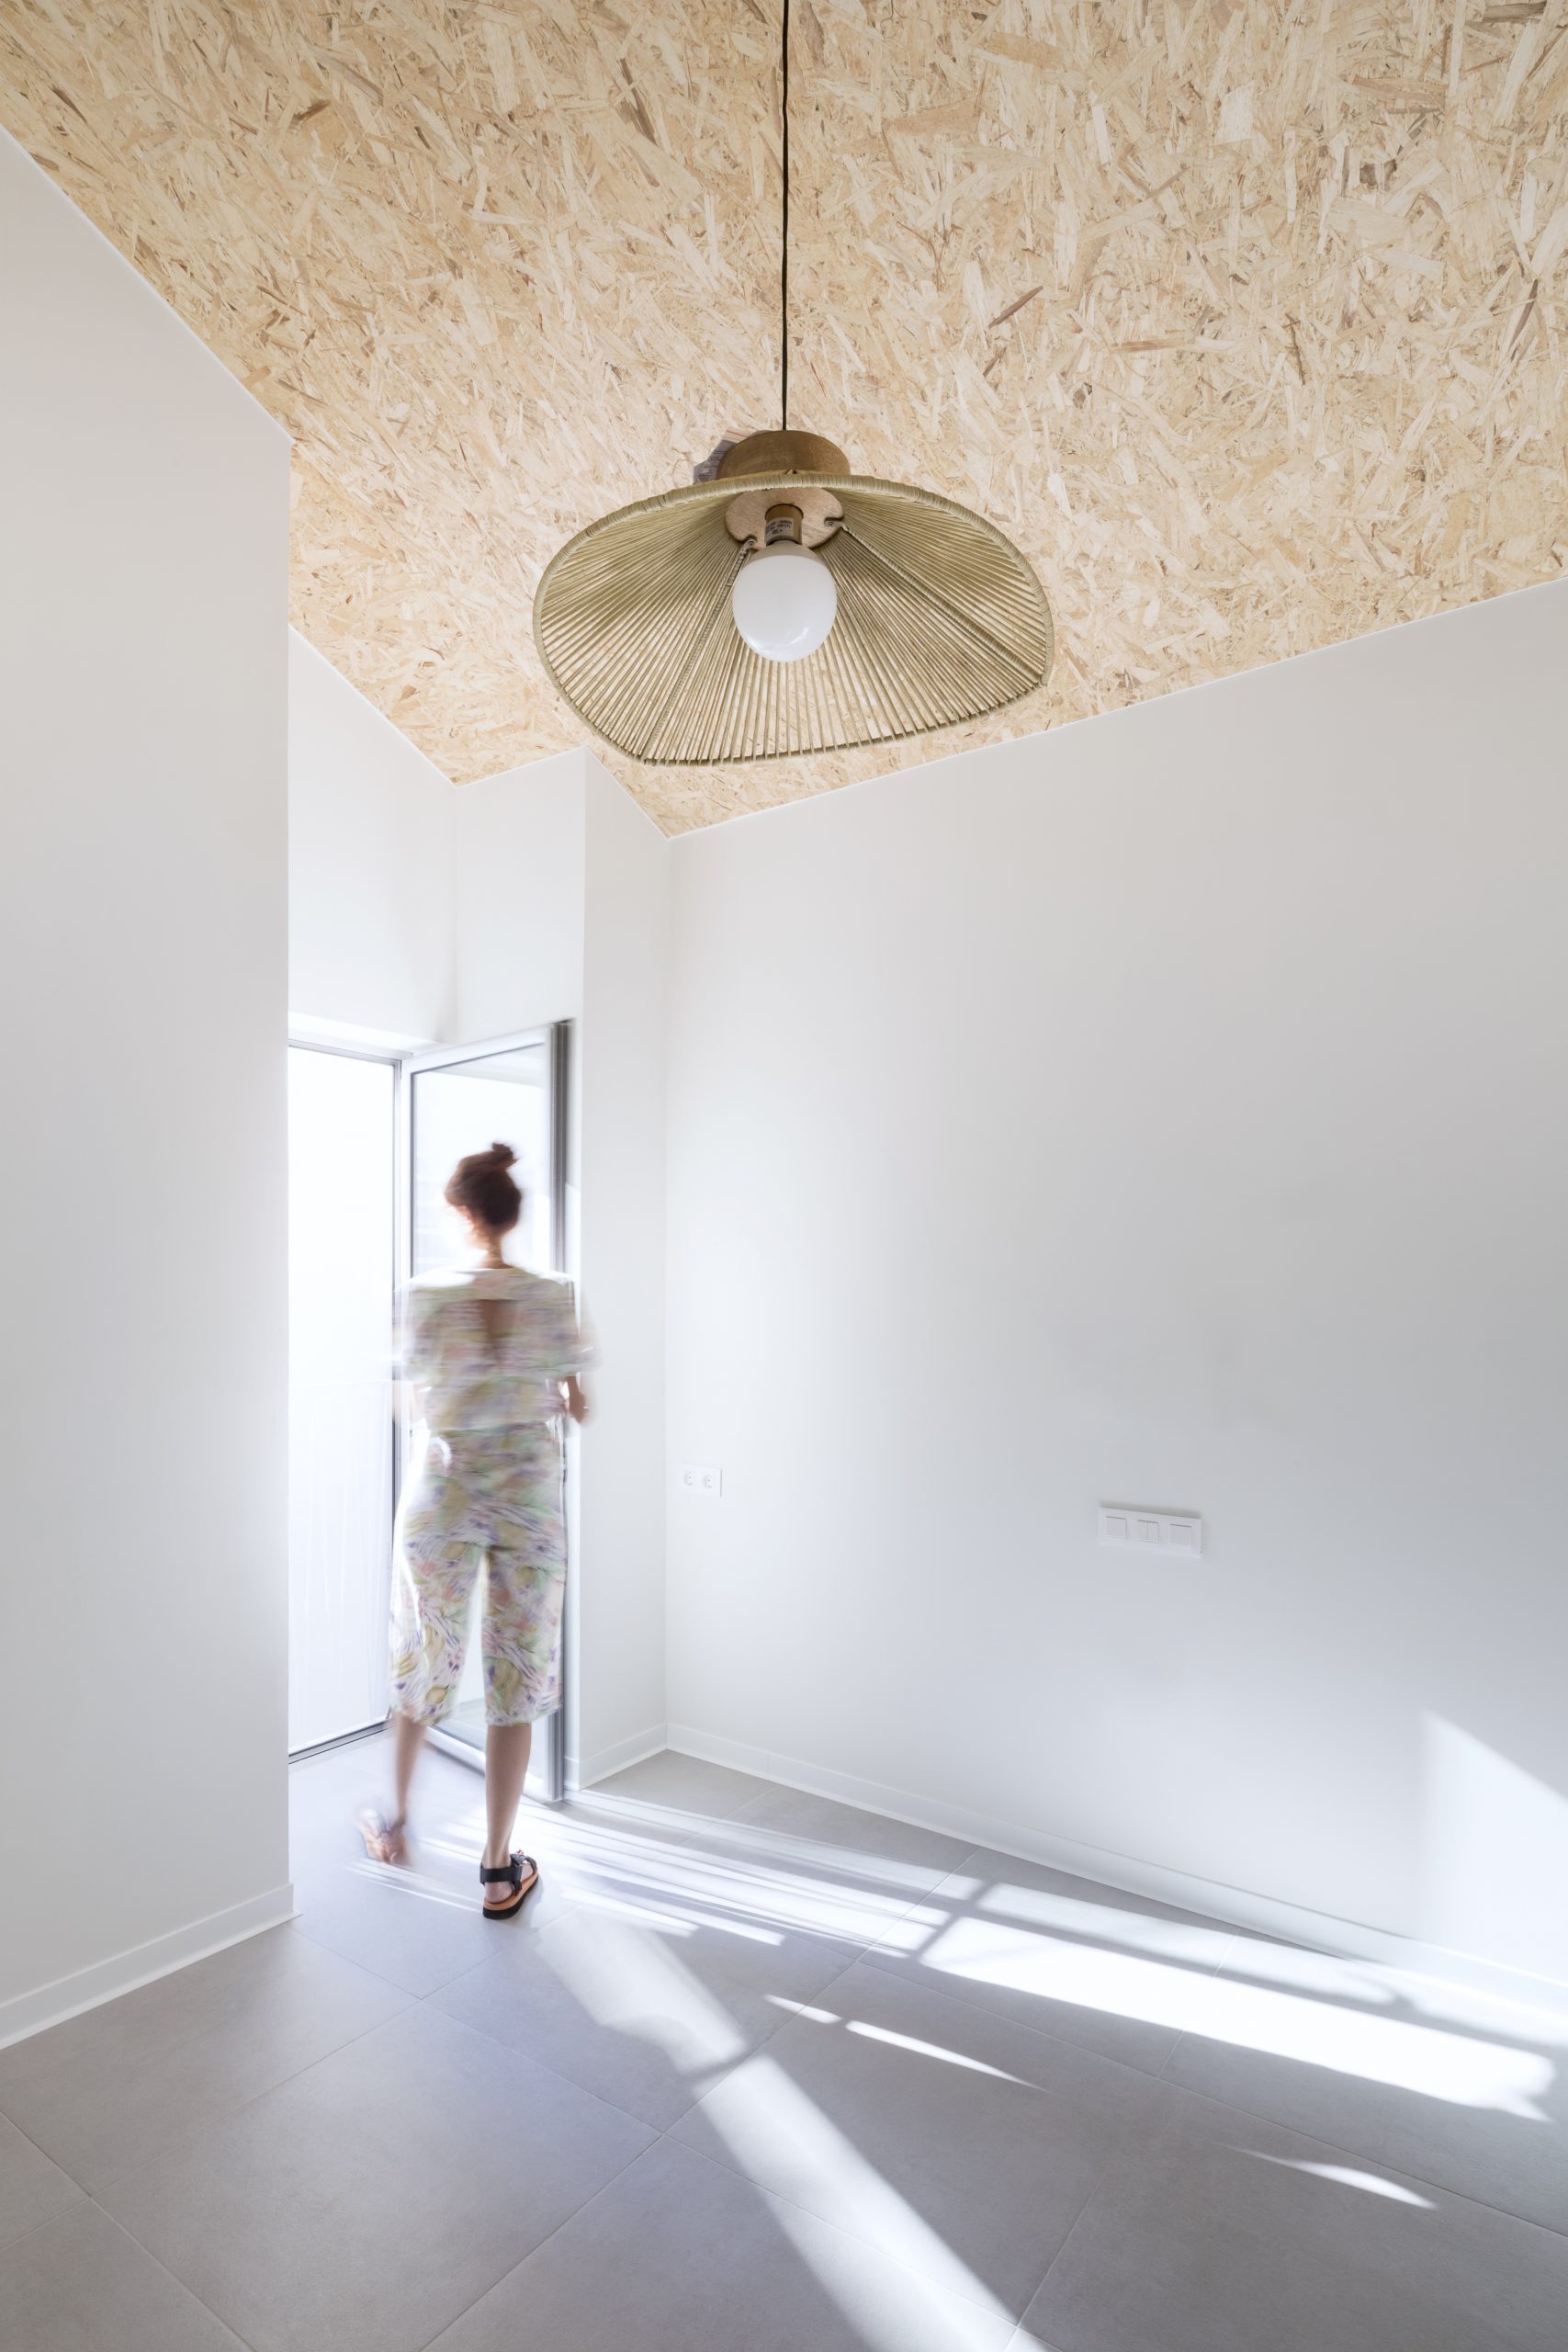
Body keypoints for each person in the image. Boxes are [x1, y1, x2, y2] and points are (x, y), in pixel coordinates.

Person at [361, 1142, 589, 1917]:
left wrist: (460, 1399)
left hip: (443, 1495)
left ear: (462, 1213)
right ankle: (497, 1870)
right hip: (528, 1497)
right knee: (516, 1672)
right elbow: (577, 1404)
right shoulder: (554, 1296)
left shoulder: (421, 1296)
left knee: (424, 1657)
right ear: (510, 1215)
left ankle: (395, 1825)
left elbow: (409, 1403)